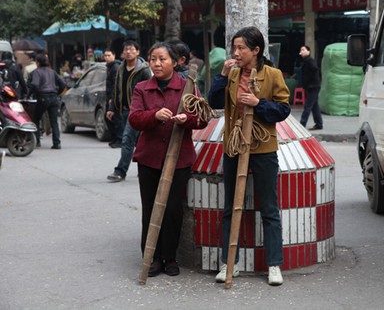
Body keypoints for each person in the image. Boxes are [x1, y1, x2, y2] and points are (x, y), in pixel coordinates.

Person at [208, 26, 290, 286]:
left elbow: (283, 109)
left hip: (263, 148)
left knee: (268, 208)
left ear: (256, 50)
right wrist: (221, 76)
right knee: (231, 207)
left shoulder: (273, 75)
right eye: (235, 47)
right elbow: (215, 103)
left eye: (241, 48)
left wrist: (259, 104)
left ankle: (274, 264)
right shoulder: (231, 74)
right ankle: (229, 262)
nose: (236, 52)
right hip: (234, 146)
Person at [128, 42, 208, 277]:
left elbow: (202, 117)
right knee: (150, 208)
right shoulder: (142, 88)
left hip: (179, 158)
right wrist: (154, 115)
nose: (157, 63)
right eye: (153, 59)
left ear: (175, 62)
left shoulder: (188, 86)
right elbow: (134, 118)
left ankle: (170, 257)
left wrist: (187, 119)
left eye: (162, 59)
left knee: (173, 210)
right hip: (149, 158)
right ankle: (151, 256)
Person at [106, 40, 151, 182]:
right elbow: (116, 89)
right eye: (126, 50)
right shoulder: (120, 68)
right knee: (137, 141)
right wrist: (112, 108)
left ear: (137, 52)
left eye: (131, 49)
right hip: (124, 110)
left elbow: (150, 91)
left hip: (138, 111)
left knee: (127, 140)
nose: (128, 52)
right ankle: (145, 169)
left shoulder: (143, 70)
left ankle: (120, 171)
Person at [29, 53, 66, 149]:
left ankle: (36, 141)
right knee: (54, 121)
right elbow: (63, 84)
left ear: (37, 63)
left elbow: (34, 85)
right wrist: (57, 93)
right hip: (53, 98)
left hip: (42, 97)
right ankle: (57, 143)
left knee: (36, 120)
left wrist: (32, 94)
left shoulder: (37, 72)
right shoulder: (52, 72)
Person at [298, 45, 323, 130]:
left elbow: (314, 69)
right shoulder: (306, 61)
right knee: (314, 106)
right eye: (301, 50)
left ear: (308, 51)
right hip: (312, 86)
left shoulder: (309, 61)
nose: (302, 51)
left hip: (313, 86)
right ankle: (319, 124)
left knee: (308, 106)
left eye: (303, 50)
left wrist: (309, 81)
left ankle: (302, 124)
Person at [103, 49, 122, 148]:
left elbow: (116, 85)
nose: (107, 57)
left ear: (114, 55)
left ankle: (119, 139)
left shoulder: (116, 67)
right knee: (108, 118)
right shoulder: (109, 67)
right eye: (105, 55)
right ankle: (115, 138)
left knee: (115, 118)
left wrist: (112, 98)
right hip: (109, 96)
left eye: (109, 55)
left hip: (114, 97)